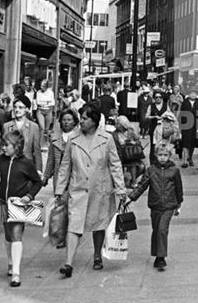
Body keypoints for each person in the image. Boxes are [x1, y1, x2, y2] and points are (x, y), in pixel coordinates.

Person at [55, 104, 127, 277]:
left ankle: (96, 255)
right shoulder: (73, 139)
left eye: (86, 118)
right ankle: (68, 263)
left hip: (100, 188)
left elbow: (115, 164)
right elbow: (65, 166)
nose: (82, 121)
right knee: (74, 224)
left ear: (94, 120)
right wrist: (59, 189)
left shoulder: (106, 138)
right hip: (78, 188)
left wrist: (120, 189)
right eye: (81, 117)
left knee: (98, 223)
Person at [0, 130, 43, 287]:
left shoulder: (26, 163)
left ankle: (16, 272)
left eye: (7, 145)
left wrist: (29, 196)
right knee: (8, 235)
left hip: (19, 205)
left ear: (17, 146)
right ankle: (10, 262)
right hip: (3, 202)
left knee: (16, 235)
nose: (3, 148)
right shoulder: (2, 160)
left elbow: (37, 182)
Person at [125, 142, 183, 271]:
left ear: (169, 156)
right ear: (156, 155)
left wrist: (179, 203)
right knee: (156, 230)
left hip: (169, 205)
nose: (162, 157)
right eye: (160, 155)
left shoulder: (174, 171)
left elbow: (179, 188)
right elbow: (142, 185)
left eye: (165, 155)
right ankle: (157, 254)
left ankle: (161, 257)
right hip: (155, 205)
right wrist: (131, 197)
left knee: (162, 230)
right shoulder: (151, 170)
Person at [44, 108, 80, 193]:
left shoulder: (79, 137)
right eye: (64, 120)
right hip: (59, 175)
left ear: (74, 121)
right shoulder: (55, 138)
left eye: (69, 120)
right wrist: (46, 176)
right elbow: (51, 159)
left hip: (75, 175)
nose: (66, 122)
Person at [2, 97, 43, 165]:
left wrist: (39, 170)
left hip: (27, 165)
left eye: (20, 107)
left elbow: (37, 150)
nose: (17, 110)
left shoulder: (33, 126)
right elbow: (3, 148)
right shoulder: (7, 126)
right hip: (11, 164)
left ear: (26, 109)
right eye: (15, 107)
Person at [112, 115, 145, 188]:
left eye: (118, 124)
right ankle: (121, 182)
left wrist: (133, 142)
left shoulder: (130, 132)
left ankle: (133, 181)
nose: (116, 125)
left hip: (131, 155)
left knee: (140, 166)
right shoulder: (114, 134)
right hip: (120, 155)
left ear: (123, 125)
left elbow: (138, 142)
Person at [177, 90, 198, 168]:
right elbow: (180, 115)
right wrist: (179, 126)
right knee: (185, 143)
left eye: (194, 93)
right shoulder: (184, 103)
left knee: (193, 142)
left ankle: (190, 158)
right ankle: (185, 161)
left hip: (196, 126)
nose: (193, 95)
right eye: (191, 93)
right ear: (189, 94)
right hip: (186, 126)